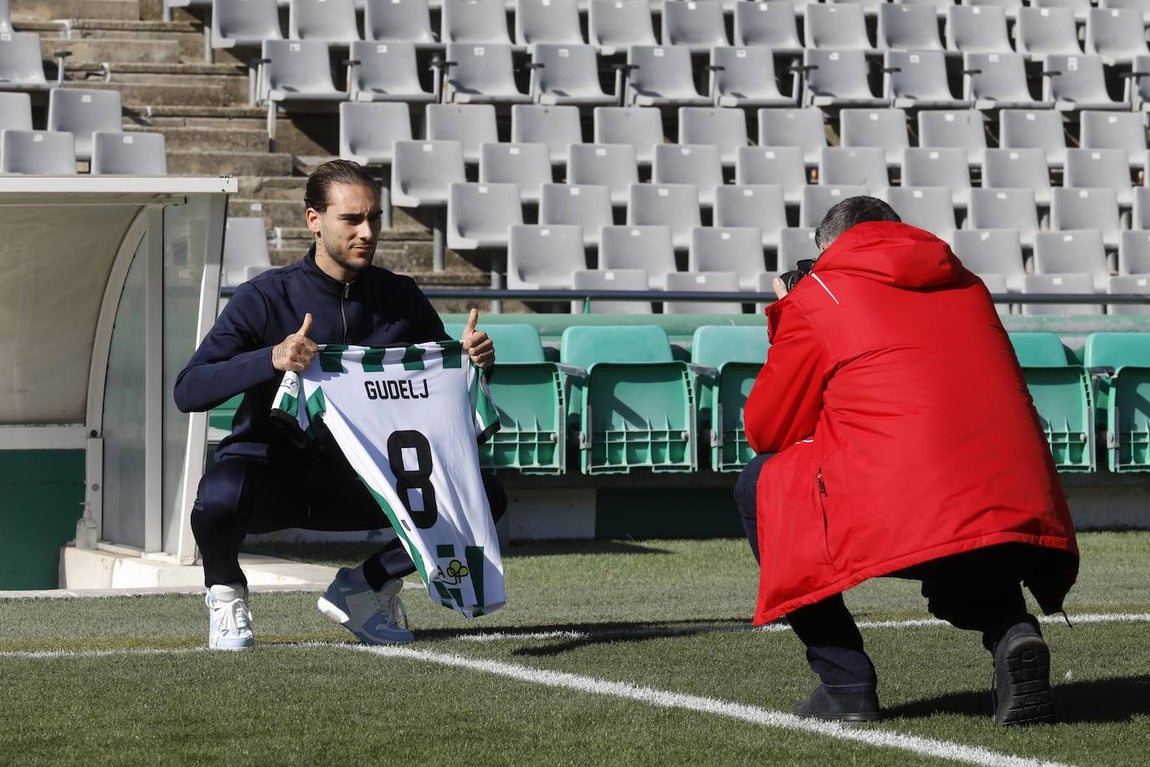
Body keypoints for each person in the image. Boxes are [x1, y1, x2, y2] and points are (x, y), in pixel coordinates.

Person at [734, 196, 1079, 725]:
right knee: (962, 522)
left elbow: (767, 428)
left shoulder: (822, 293)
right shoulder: (968, 284)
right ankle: (1013, 631)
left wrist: (786, 316)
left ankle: (844, 680)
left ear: (828, 247)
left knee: (760, 481)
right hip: (1015, 501)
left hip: (913, 506)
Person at [174, 159, 505, 650]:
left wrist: (475, 362)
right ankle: (226, 595)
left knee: (486, 494)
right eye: (352, 220)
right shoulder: (265, 297)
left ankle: (365, 586)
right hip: (273, 475)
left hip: (365, 479)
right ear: (314, 220)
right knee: (217, 496)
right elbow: (189, 389)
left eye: (373, 218)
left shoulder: (401, 298)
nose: (367, 232)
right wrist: (272, 358)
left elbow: (442, 391)